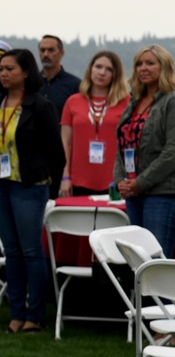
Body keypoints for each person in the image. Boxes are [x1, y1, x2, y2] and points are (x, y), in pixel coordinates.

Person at [0, 48, 65, 334]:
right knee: (12, 252)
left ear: (26, 72)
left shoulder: (40, 106)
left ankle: (35, 316)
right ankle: (16, 314)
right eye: (1, 69)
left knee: (31, 251)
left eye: (10, 69)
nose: (4, 73)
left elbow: (57, 154)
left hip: (29, 187)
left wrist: (51, 188)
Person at [115, 45, 175, 256]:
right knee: (136, 259)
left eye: (150, 63)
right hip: (133, 193)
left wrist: (141, 182)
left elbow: (172, 151)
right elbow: (122, 144)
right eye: (139, 64)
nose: (143, 68)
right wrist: (121, 181)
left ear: (165, 67)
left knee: (155, 258)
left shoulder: (171, 100)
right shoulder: (134, 101)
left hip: (161, 194)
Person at [59, 51, 129, 196]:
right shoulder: (73, 101)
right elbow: (65, 142)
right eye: (98, 67)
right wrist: (65, 177)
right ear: (90, 69)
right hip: (78, 180)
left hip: (115, 181)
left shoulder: (126, 103)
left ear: (116, 75)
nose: (102, 72)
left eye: (109, 69)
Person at [38, 35, 81, 116]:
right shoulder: (31, 83)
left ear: (62, 53)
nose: (46, 54)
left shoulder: (75, 86)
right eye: (42, 50)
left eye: (51, 50)